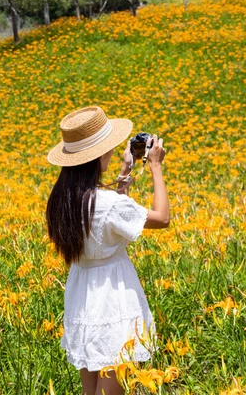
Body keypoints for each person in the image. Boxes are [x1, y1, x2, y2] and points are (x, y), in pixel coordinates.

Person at [45, 106, 169, 395]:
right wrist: (155, 166)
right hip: (112, 299)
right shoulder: (107, 204)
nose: (113, 150)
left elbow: (101, 228)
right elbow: (162, 218)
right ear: (98, 155)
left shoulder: (62, 199)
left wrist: (124, 173)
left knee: (91, 391)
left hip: (83, 297)